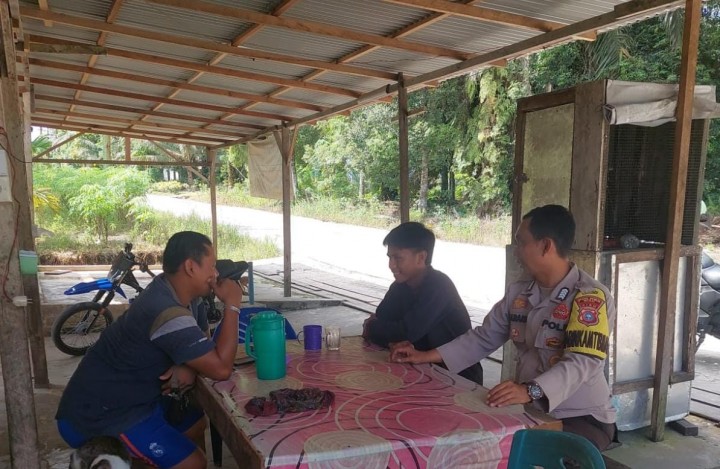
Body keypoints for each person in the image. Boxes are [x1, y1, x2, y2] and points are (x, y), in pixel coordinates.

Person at [390, 205, 617, 450]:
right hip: (530, 407)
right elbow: (484, 337)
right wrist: (425, 356)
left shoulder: (589, 297)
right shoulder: (520, 291)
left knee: (510, 449)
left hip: (579, 417)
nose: (516, 250)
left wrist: (530, 390)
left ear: (545, 246)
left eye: (521, 242)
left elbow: (582, 362)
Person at [56, 231, 244, 469]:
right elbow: (221, 368)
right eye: (212, 266)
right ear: (190, 267)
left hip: (137, 397)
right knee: (194, 464)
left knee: (196, 423)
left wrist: (190, 368)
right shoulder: (165, 309)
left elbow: (205, 351)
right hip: (103, 412)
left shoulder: (183, 296)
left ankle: (154, 457)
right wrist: (233, 305)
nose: (216, 274)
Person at [362, 221, 484, 384]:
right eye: (390, 258)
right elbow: (382, 319)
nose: (391, 265)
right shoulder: (400, 286)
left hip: (456, 376)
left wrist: (373, 328)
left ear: (421, 257)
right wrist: (379, 329)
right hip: (418, 368)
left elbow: (405, 332)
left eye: (397, 258)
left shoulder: (439, 286)